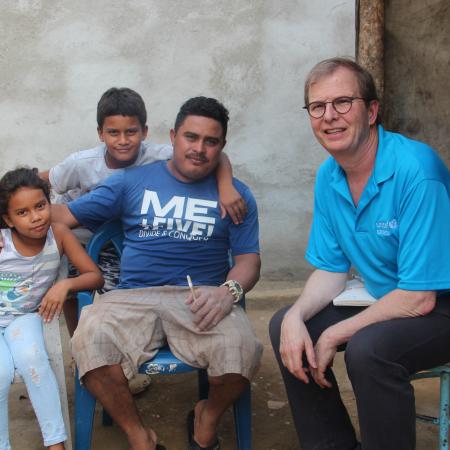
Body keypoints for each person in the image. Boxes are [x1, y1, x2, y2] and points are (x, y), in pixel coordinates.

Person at [52, 96, 263, 450]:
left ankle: (206, 420)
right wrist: (12, 222)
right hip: (131, 297)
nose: (199, 149)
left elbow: (249, 261)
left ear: (222, 147)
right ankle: (139, 436)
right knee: (89, 340)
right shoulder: (130, 181)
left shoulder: (236, 196)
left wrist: (229, 292)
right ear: (172, 137)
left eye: (211, 142)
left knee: (242, 349)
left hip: (202, 296)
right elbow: (64, 217)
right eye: (190, 138)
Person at [269, 57, 450, 450]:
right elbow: (332, 269)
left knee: (369, 351)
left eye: (343, 103)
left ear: (371, 111)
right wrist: (297, 316)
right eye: (318, 106)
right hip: (392, 297)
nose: (329, 116)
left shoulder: (417, 171)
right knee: (288, 325)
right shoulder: (329, 175)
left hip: (439, 304)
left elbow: (420, 298)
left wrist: (336, 333)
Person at [39, 87, 247, 337]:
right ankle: (78, 346)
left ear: (144, 132)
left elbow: (214, 154)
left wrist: (225, 186)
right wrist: (14, 210)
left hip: (120, 240)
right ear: (100, 134)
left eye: (131, 132)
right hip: (79, 236)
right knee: (73, 291)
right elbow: (43, 182)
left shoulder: (165, 155)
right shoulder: (82, 163)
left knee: (117, 296)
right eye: (114, 132)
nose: (123, 140)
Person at [0, 168, 103, 450]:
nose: (35, 217)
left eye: (40, 206)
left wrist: (64, 285)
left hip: (23, 319)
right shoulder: (3, 242)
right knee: (1, 372)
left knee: (34, 360)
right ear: (8, 219)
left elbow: (95, 276)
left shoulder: (58, 235)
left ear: (50, 203)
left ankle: (55, 443)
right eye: (22, 213)